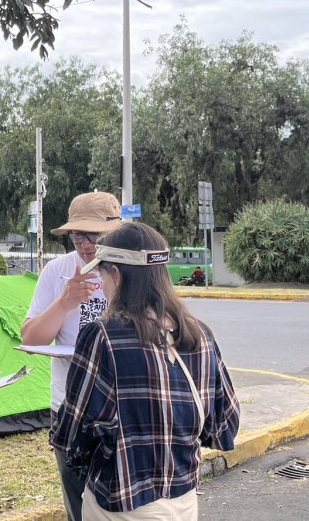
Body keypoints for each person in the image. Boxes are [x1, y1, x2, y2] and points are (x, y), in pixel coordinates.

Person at [50, 222, 240, 520]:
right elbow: (224, 427)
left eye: (101, 274)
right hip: (184, 500)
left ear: (116, 274)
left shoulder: (103, 337)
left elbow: (71, 434)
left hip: (121, 504)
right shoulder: (200, 334)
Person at [19, 191, 123, 520]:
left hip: (121, 405)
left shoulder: (129, 269)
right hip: (70, 406)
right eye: (79, 234)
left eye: (95, 234)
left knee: (123, 502)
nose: (86, 244)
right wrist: (65, 302)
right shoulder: (57, 270)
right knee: (77, 503)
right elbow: (31, 337)